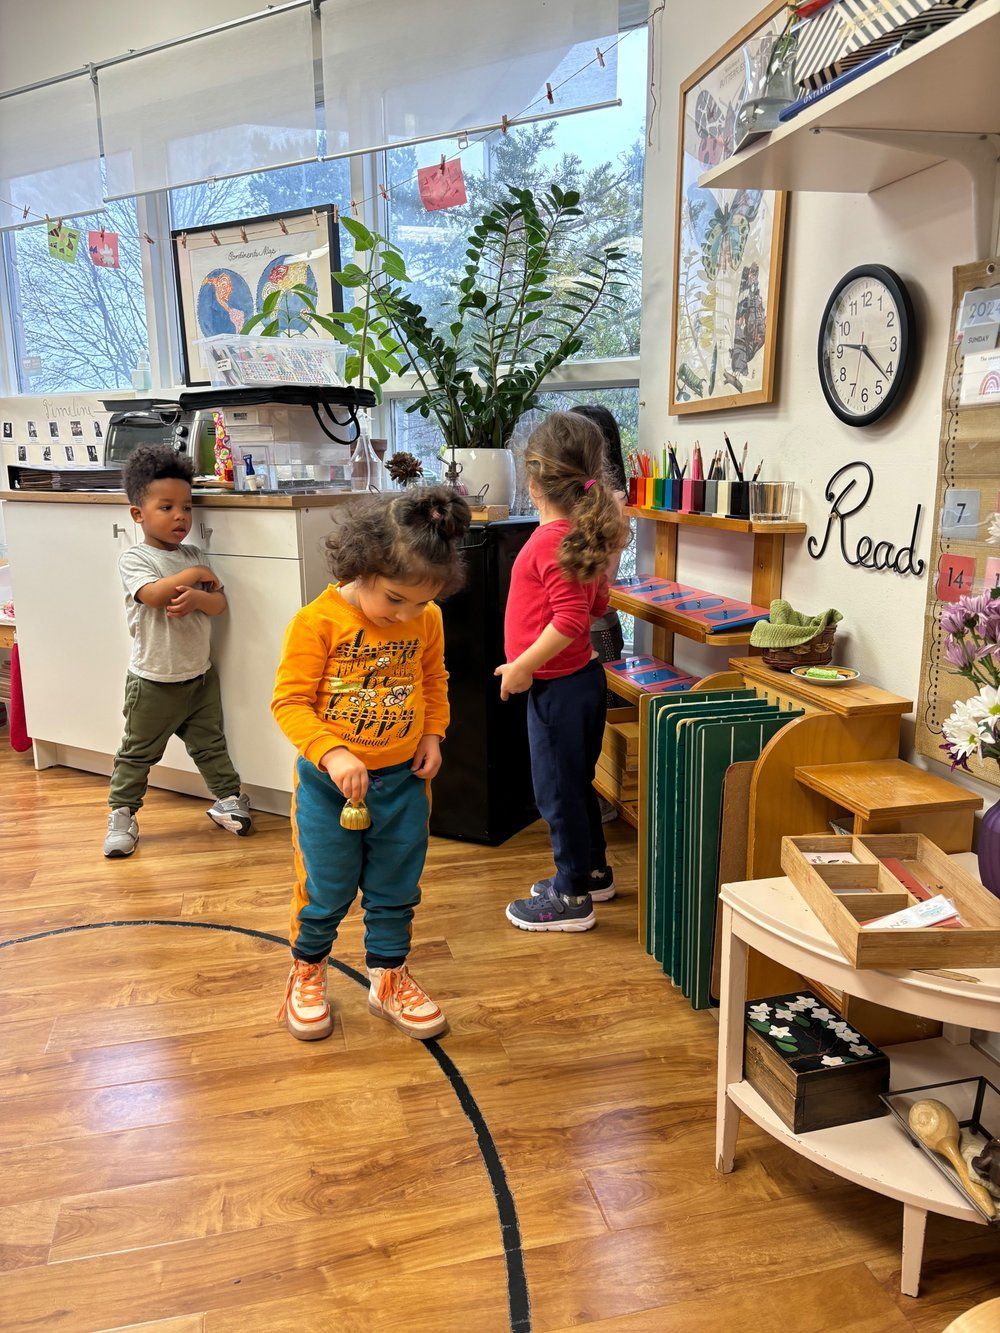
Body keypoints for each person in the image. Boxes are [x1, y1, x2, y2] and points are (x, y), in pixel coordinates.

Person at [272, 486, 470, 1042]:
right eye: (394, 599)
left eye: (420, 602)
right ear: (361, 565)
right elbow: (288, 703)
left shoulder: (424, 618)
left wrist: (433, 732)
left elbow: (433, 680)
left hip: (404, 782)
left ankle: (387, 977)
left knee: (395, 886)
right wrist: (333, 753)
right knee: (326, 888)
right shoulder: (317, 622)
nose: (405, 614)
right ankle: (308, 970)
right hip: (327, 789)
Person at [497, 412, 629, 932]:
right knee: (574, 784)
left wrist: (521, 667)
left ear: (533, 480)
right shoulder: (579, 536)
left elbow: (573, 619)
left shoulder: (549, 541)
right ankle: (592, 872)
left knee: (558, 792)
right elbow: (598, 604)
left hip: (558, 688)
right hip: (580, 684)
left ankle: (572, 897)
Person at [104, 445, 252, 857]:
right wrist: (195, 578)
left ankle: (228, 799)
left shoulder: (193, 554)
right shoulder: (135, 558)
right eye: (166, 507)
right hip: (153, 680)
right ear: (138, 514)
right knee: (137, 753)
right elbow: (151, 595)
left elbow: (218, 604)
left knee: (210, 744)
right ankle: (122, 815)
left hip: (199, 676)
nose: (180, 517)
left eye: (186, 507)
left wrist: (198, 598)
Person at [570, 403, 632, 820]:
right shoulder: (588, 499)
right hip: (590, 621)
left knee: (594, 725)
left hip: (595, 625)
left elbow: (596, 571)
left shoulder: (608, 501)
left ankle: (597, 806)